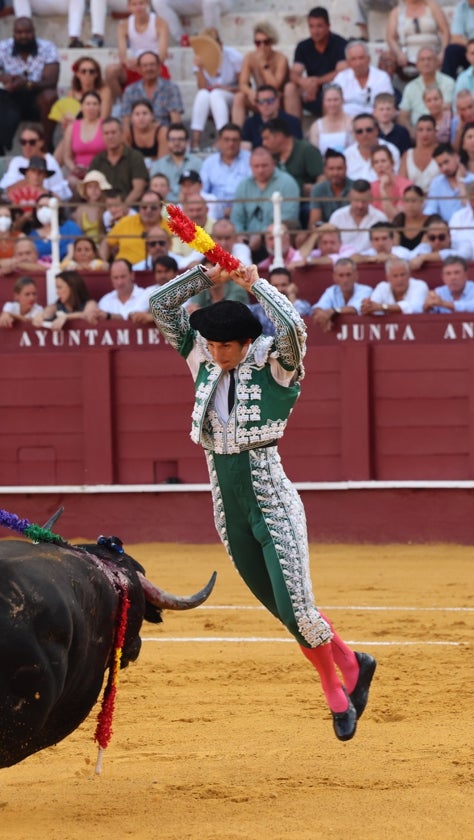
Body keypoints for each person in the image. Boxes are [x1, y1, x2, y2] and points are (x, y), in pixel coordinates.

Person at [148, 260, 375, 741]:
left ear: (246, 342)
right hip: (228, 510)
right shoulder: (203, 361)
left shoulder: (276, 362)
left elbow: (294, 326)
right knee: (281, 608)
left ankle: (336, 692)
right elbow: (160, 305)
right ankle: (354, 662)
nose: (216, 352)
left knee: (299, 610)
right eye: (210, 344)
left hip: (273, 505)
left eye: (225, 345)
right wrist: (202, 278)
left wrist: (255, 284)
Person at [0, 18, 59, 155]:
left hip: (35, 97)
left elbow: (51, 81)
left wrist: (27, 84)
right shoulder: (3, 47)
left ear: (34, 32)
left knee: (50, 95)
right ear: (13, 33)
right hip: (9, 97)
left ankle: (46, 144)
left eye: (27, 32)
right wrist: (2, 77)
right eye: (19, 32)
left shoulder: (47, 48)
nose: (23, 36)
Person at [290, 6, 349, 118]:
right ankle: (295, 133)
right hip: (311, 93)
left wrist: (316, 82)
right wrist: (304, 83)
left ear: (328, 26)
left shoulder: (340, 44)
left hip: (334, 90)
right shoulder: (303, 46)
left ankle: (328, 131)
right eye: (311, 26)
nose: (315, 31)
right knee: (290, 88)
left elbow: (341, 72)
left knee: (330, 91)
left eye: (319, 26)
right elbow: (295, 73)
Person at [233, 22, 297, 125]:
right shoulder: (250, 57)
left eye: (265, 42)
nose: (262, 46)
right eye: (258, 43)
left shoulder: (281, 58)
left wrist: (263, 64)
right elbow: (242, 84)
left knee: (286, 90)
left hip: (278, 99)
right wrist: (251, 92)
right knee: (239, 97)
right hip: (260, 99)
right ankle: (237, 134)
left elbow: (274, 86)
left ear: (271, 42)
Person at [232, 148, 302, 235]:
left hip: (277, 237)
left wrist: (262, 236)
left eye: (264, 166)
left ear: (273, 164)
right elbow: (236, 219)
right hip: (247, 239)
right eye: (256, 166)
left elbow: (289, 218)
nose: (260, 170)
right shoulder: (243, 186)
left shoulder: (288, 183)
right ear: (250, 166)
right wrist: (240, 237)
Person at [87, 118, 149, 206]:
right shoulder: (97, 160)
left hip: (129, 206)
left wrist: (123, 207)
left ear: (121, 134)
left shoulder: (135, 157)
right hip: (103, 207)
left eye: (113, 132)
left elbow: (138, 189)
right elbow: (90, 188)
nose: (110, 136)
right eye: (106, 133)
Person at [387, 0, 449, 83]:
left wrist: (443, 52)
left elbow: (445, 31)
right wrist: (399, 53)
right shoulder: (396, 13)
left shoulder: (432, 7)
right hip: (408, 60)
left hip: (433, 55)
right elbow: (391, 38)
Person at [120, 52, 184, 131]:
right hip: (138, 136)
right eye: (145, 65)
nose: (149, 68)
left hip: (164, 135)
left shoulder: (171, 88)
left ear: (159, 68)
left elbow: (176, 122)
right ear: (139, 69)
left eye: (152, 65)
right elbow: (126, 121)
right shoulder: (130, 90)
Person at [330, 41, 392, 120]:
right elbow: (333, 105)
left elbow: (387, 105)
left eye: (361, 58)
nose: (358, 63)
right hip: (347, 122)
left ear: (369, 59)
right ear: (348, 62)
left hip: (376, 121)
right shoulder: (341, 78)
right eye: (353, 59)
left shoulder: (382, 77)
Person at [310, 258, 372, 331]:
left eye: (348, 275)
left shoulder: (366, 290)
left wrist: (333, 311)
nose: (345, 280)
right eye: (341, 275)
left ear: (356, 275)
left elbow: (355, 309)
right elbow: (318, 308)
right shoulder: (331, 291)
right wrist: (323, 315)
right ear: (335, 277)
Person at [51, 55, 112, 128]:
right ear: (77, 74)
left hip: (99, 129)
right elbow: (69, 121)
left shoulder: (104, 91)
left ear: (96, 74)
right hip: (79, 130)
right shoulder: (72, 93)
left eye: (91, 71)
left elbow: (104, 118)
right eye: (83, 71)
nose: (87, 74)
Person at [107, 192, 165, 266]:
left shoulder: (171, 227)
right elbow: (107, 242)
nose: (148, 210)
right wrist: (103, 261)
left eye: (153, 207)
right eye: (144, 207)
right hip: (126, 274)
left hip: (159, 273)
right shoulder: (125, 222)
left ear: (161, 208)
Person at [361, 257, 429, 315]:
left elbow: (415, 308)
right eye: (395, 276)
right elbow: (373, 306)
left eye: (403, 275)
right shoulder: (382, 287)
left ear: (409, 275)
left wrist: (383, 307)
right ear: (388, 278)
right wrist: (368, 306)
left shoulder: (420, 285)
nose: (400, 279)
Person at [98, 259, 155, 323]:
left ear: (132, 275)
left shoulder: (146, 296)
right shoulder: (105, 301)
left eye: (123, 277)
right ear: (111, 279)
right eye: (115, 278)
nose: (120, 282)